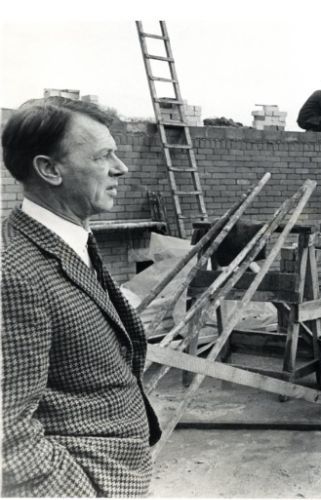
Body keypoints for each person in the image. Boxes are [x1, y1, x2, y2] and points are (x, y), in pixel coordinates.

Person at [1, 97, 161, 496]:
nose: (120, 168)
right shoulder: (13, 271)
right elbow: (6, 436)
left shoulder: (69, 239)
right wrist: (84, 490)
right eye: (104, 156)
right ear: (49, 169)